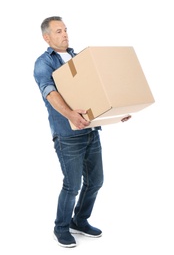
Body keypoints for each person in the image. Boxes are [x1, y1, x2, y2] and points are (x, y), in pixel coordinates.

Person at [33, 16, 131, 248]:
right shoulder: (43, 62)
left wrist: (119, 109)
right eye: (58, 31)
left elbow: (97, 90)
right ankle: (61, 227)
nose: (64, 34)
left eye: (65, 29)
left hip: (90, 131)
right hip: (67, 135)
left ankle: (79, 220)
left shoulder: (79, 58)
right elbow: (49, 92)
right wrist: (70, 115)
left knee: (96, 181)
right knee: (72, 185)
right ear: (46, 37)